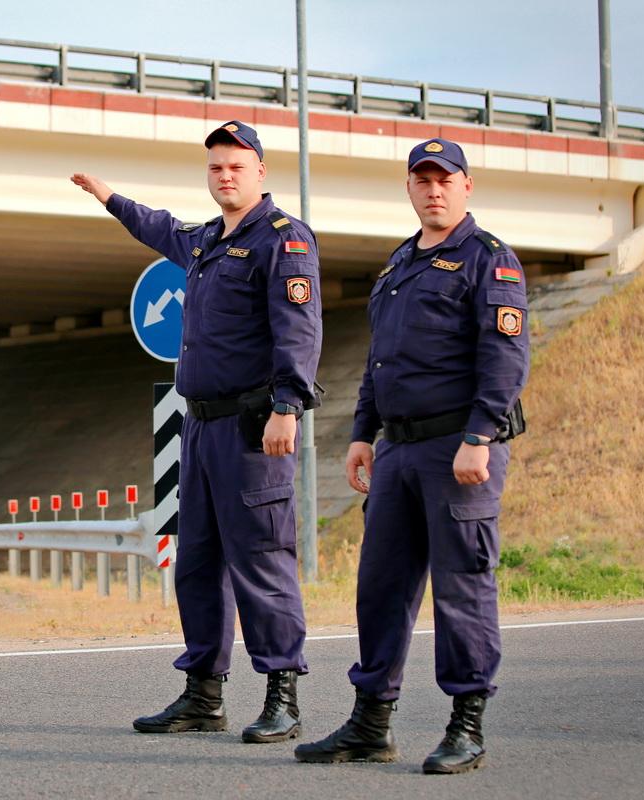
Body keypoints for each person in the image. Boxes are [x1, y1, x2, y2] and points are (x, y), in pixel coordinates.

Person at [71, 121, 322, 743]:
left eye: (236, 165)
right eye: (215, 167)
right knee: (198, 565)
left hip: (253, 427)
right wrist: (109, 198)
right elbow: (159, 226)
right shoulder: (206, 240)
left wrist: (288, 406)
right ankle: (203, 695)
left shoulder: (282, 241)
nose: (225, 175)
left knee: (262, 559)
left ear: (260, 172)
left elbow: (299, 328)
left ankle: (282, 693)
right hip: (202, 428)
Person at [294, 138, 530, 774]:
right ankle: (371, 723)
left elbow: (505, 359)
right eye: (422, 180)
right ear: (409, 188)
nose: (434, 190)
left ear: (466, 186)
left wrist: (480, 437)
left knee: (461, 588)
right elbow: (380, 361)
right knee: (380, 588)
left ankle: (467, 724)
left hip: (458, 450)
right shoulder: (398, 265)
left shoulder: (488, 260)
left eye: (444, 179)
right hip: (397, 449)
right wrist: (363, 433)